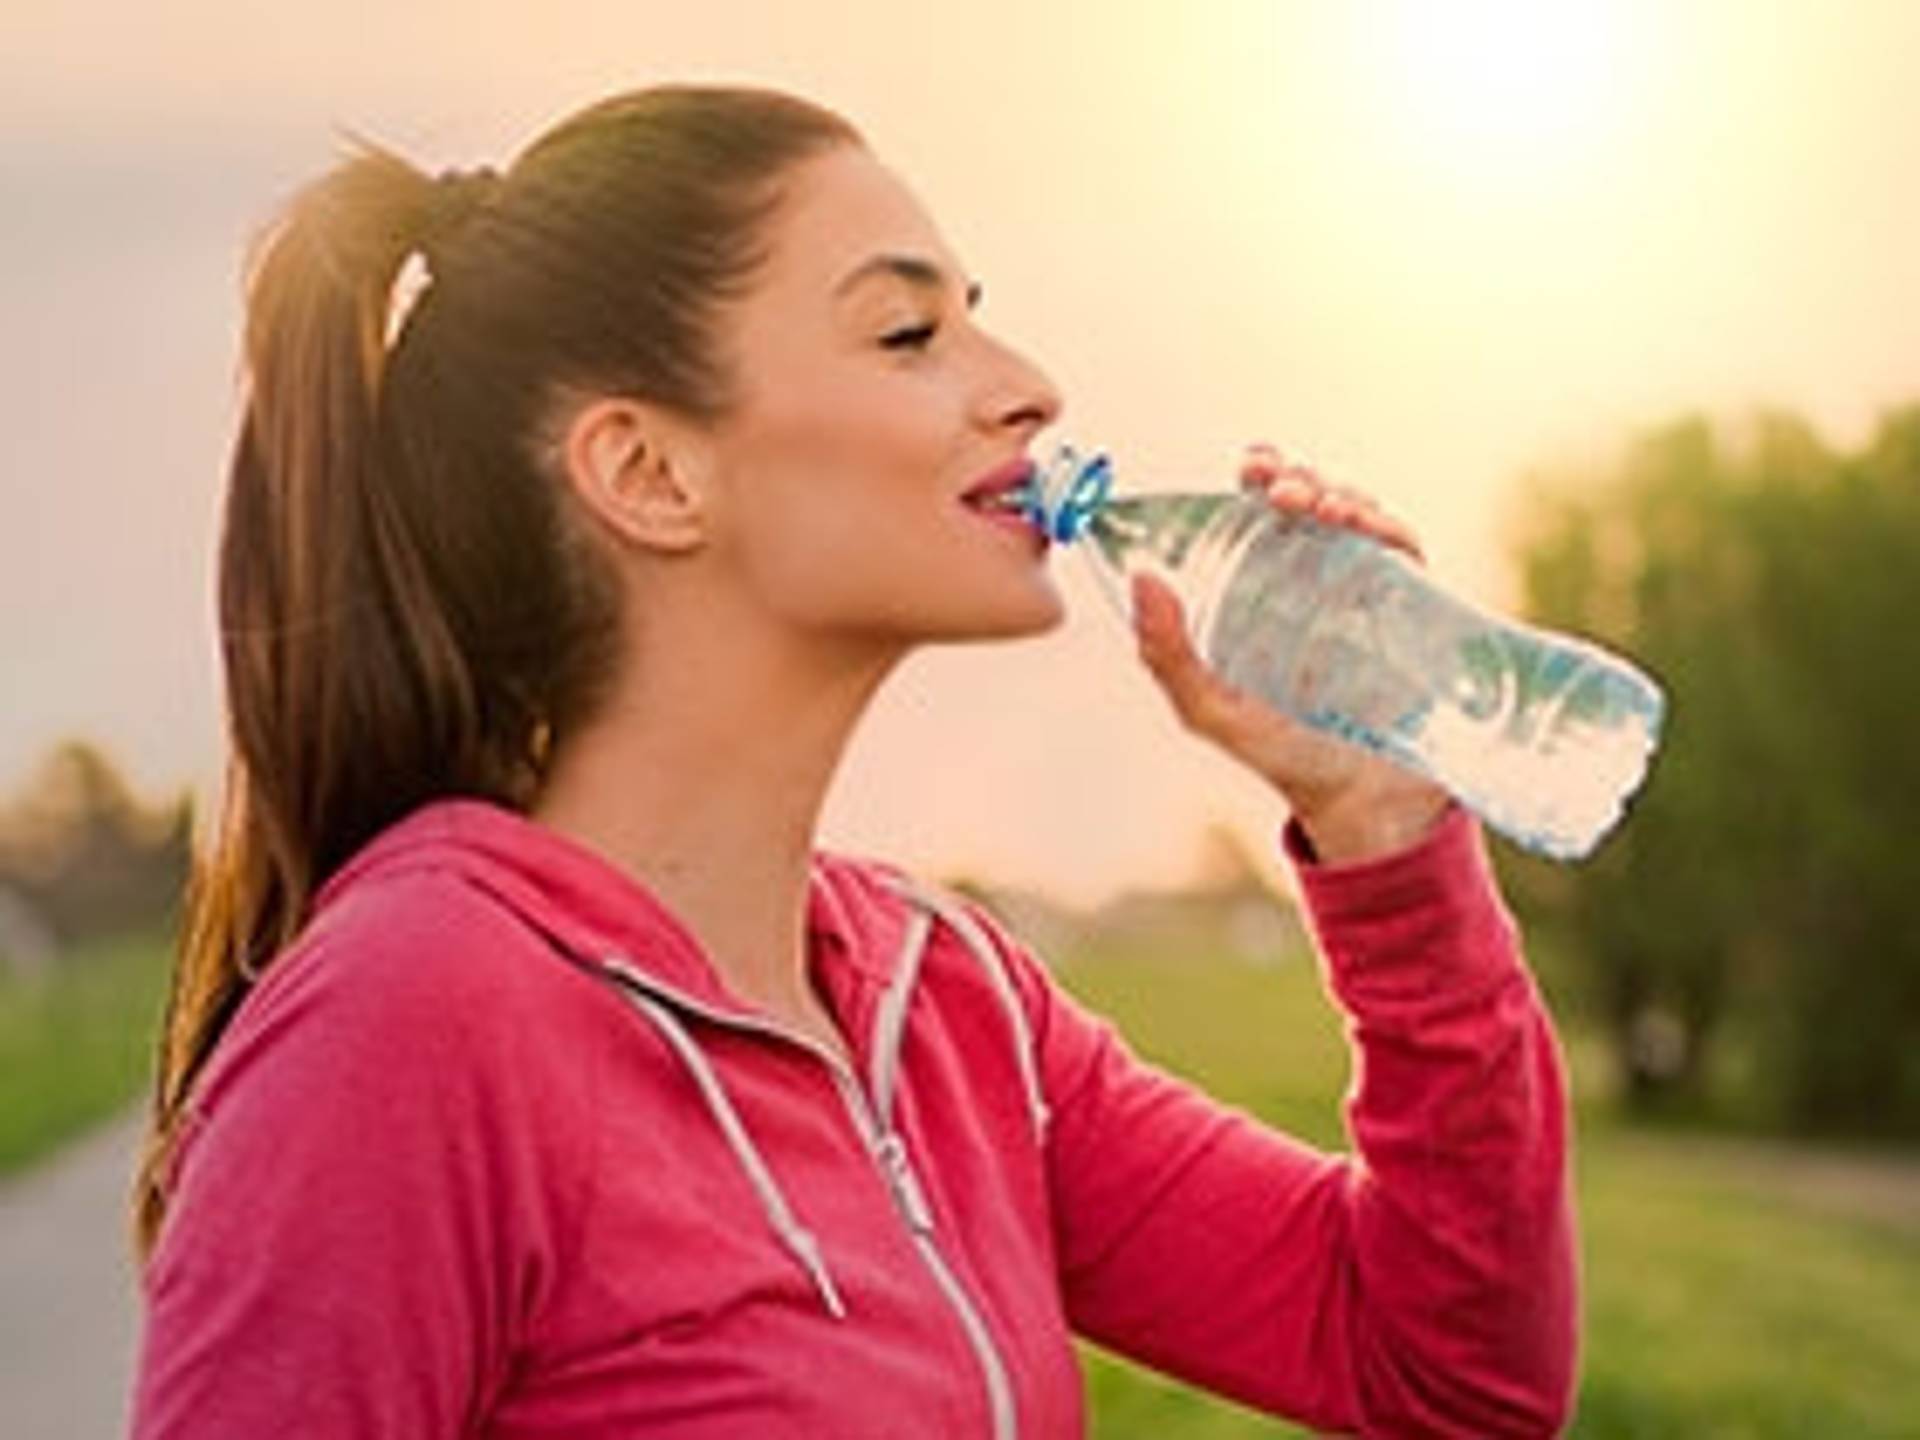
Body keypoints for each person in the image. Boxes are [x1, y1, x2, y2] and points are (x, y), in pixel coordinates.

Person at [127, 84, 1577, 1438]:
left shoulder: (949, 1007)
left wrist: (1382, 825)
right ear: (649, 473)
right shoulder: (417, 1015)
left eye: (976, 322)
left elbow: (1447, 1368)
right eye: (908, 336)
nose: (1029, 390)